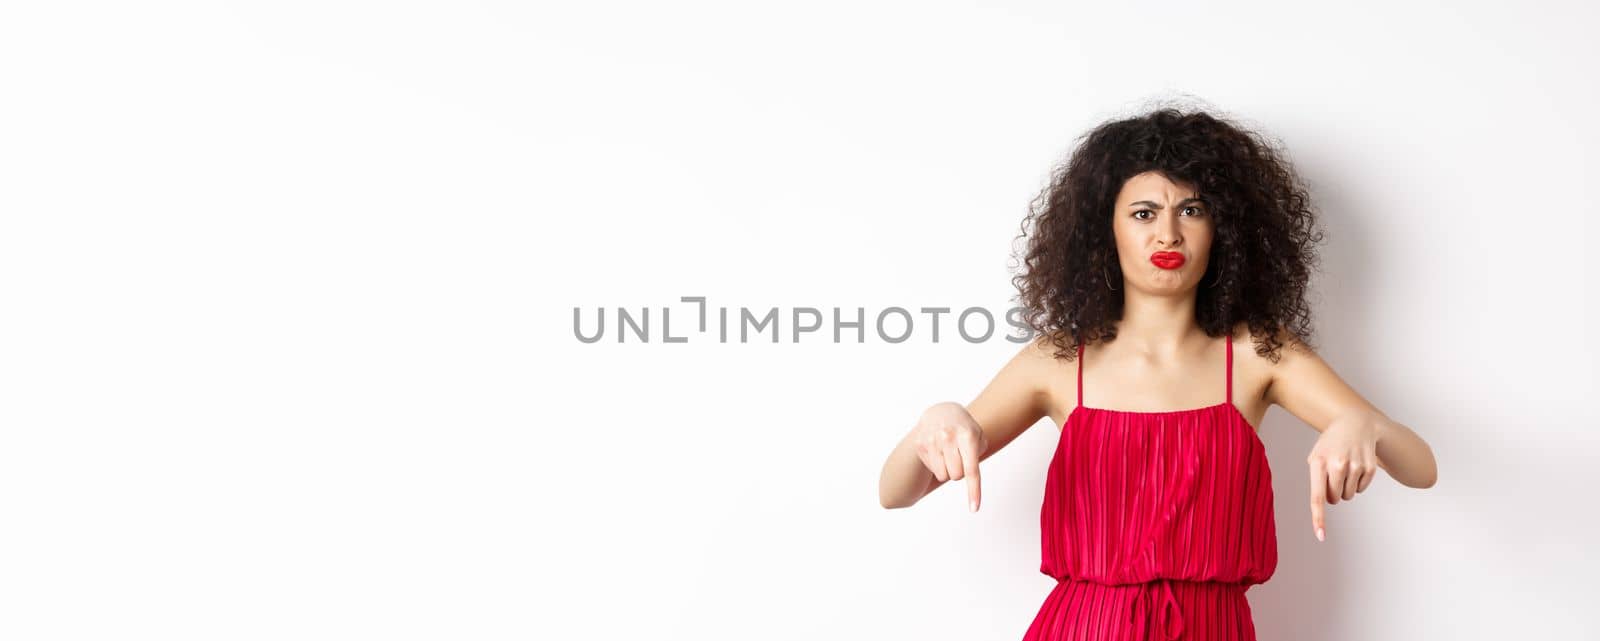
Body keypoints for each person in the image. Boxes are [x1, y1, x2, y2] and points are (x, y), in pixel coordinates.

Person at [877, 105, 1438, 640]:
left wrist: (1365, 424)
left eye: (1191, 210)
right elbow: (896, 492)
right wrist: (936, 419)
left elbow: (1421, 469)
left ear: (1224, 229)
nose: (1168, 234)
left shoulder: (1258, 354)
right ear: (1107, 231)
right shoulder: (1056, 363)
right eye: (1144, 213)